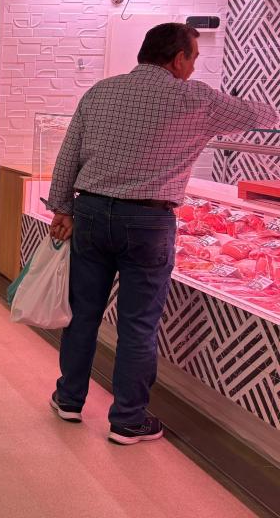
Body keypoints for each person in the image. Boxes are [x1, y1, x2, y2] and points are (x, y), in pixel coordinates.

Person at [46, 23, 278, 445]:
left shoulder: (101, 91)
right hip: (149, 223)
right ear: (177, 59)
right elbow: (259, 117)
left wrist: (61, 207)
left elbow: (69, 155)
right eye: (193, 58)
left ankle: (69, 399)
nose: (193, 66)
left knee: (83, 313)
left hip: (92, 211)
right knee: (138, 324)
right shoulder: (199, 100)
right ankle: (128, 420)